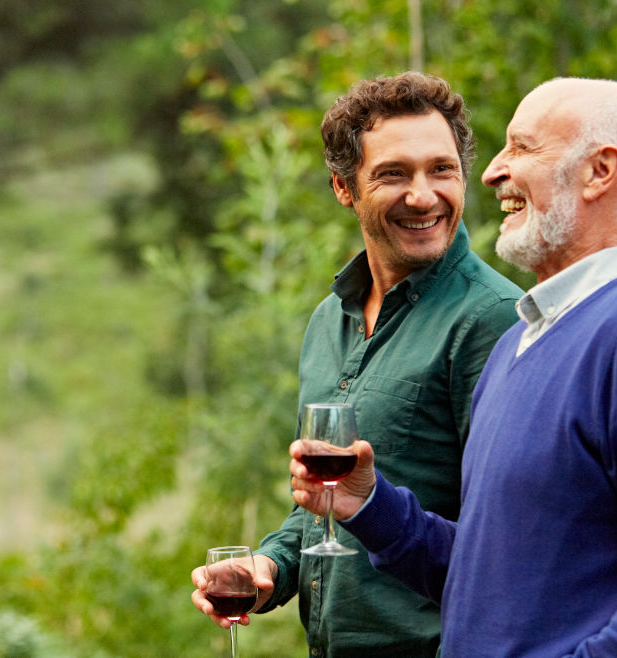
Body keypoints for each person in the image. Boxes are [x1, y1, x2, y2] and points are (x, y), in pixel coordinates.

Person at [288, 77, 617, 657]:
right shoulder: (525, 340)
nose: (488, 173)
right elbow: (488, 582)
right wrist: (370, 507)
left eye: (523, 147)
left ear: (599, 172)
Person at [191, 72, 522, 656]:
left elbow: (508, 552)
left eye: (442, 170)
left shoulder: (491, 320)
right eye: (393, 174)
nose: (423, 196)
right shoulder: (329, 319)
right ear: (344, 188)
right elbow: (322, 503)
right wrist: (271, 566)